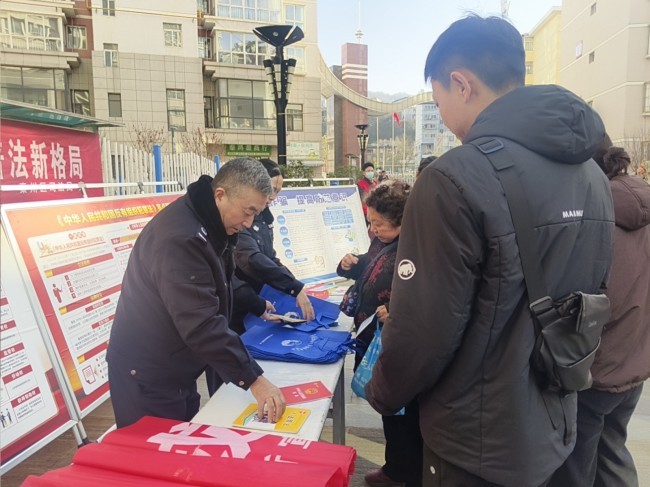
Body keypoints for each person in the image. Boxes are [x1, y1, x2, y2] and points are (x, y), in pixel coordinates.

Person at [365, 15, 614, 487]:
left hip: (475, 441)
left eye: (438, 100)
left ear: (461, 84)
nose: (443, 115)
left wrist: (382, 390)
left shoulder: (453, 178)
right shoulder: (592, 176)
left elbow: (423, 328)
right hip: (557, 420)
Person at [107, 158, 286, 429]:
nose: (249, 223)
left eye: (256, 214)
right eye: (247, 212)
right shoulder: (182, 239)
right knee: (156, 450)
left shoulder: (209, 224)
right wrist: (255, 380)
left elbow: (222, 287)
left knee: (182, 442)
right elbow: (201, 322)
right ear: (220, 195)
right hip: (148, 375)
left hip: (176, 367)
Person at [550, 138, 650, 487]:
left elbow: (586, 300)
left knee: (576, 468)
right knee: (613, 454)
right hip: (634, 363)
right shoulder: (642, 210)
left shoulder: (593, 218)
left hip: (594, 370)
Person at [337, 180, 422, 487]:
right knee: (388, 409)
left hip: (397, 345)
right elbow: (371, 264)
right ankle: (395, 468)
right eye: (370, 222)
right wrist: (351, 265)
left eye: (379, 224)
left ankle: (406, 474)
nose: (373, 230)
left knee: (403, 415)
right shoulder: (383, 240)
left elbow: (428, 298)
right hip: (373, 338)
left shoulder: (419, 249)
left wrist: (396, 311)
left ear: (402, 221)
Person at [229, 159, 315, 333]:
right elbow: (253, 259)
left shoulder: (265, 218)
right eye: (271, 189)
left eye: (278, 191)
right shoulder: (238, 219)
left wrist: (294, 285)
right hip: (238, 305)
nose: (273, 196)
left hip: (260, 301)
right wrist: (293, 286)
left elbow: (270, 257)